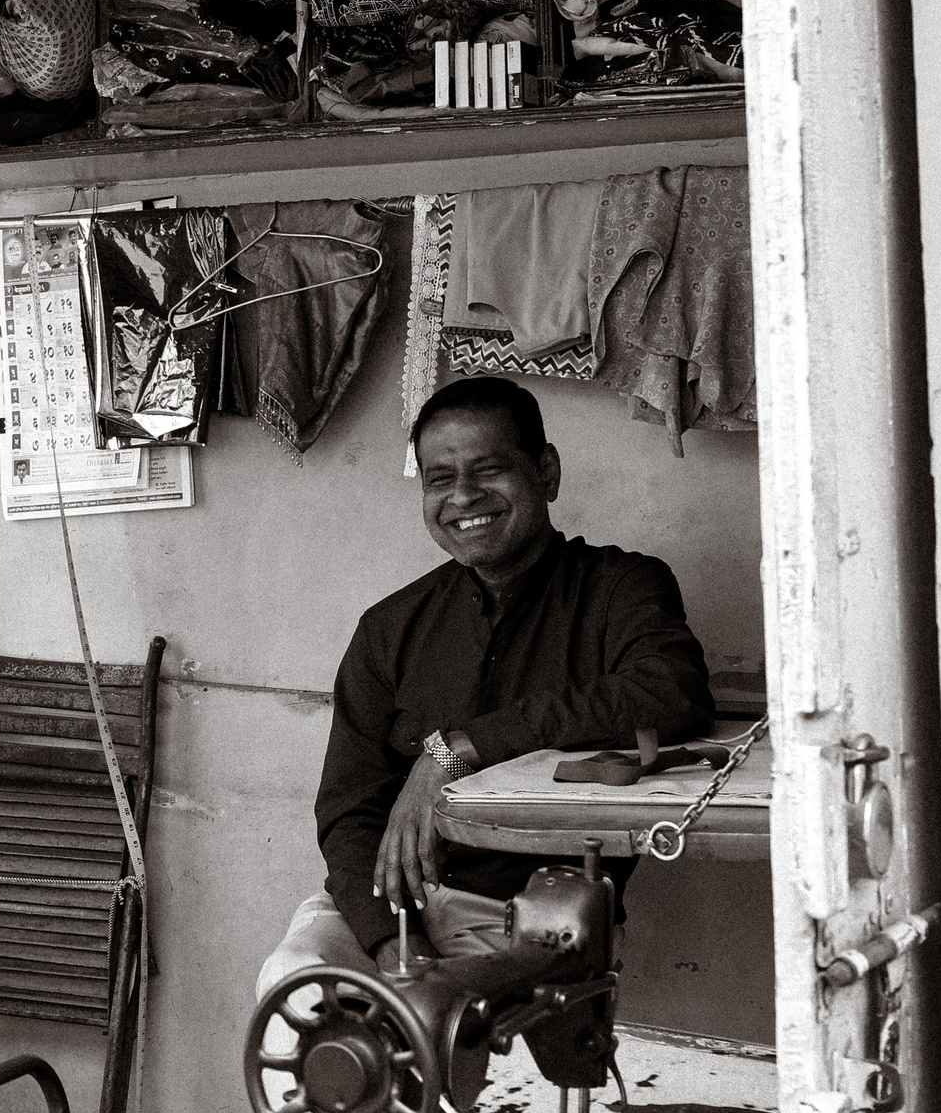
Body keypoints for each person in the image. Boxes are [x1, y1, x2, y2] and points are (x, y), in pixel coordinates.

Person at [258, 375, 715, 992]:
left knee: (455, 1034)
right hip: (386, 913)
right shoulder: (390, 627)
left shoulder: (621, 588)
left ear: (546, 473)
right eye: (440, 479)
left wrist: (461, 748)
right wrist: (392, 947)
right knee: (295, 988)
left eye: (489, 470)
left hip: (530, 921)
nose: (464, 496)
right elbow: (349, 811)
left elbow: (670, 692)